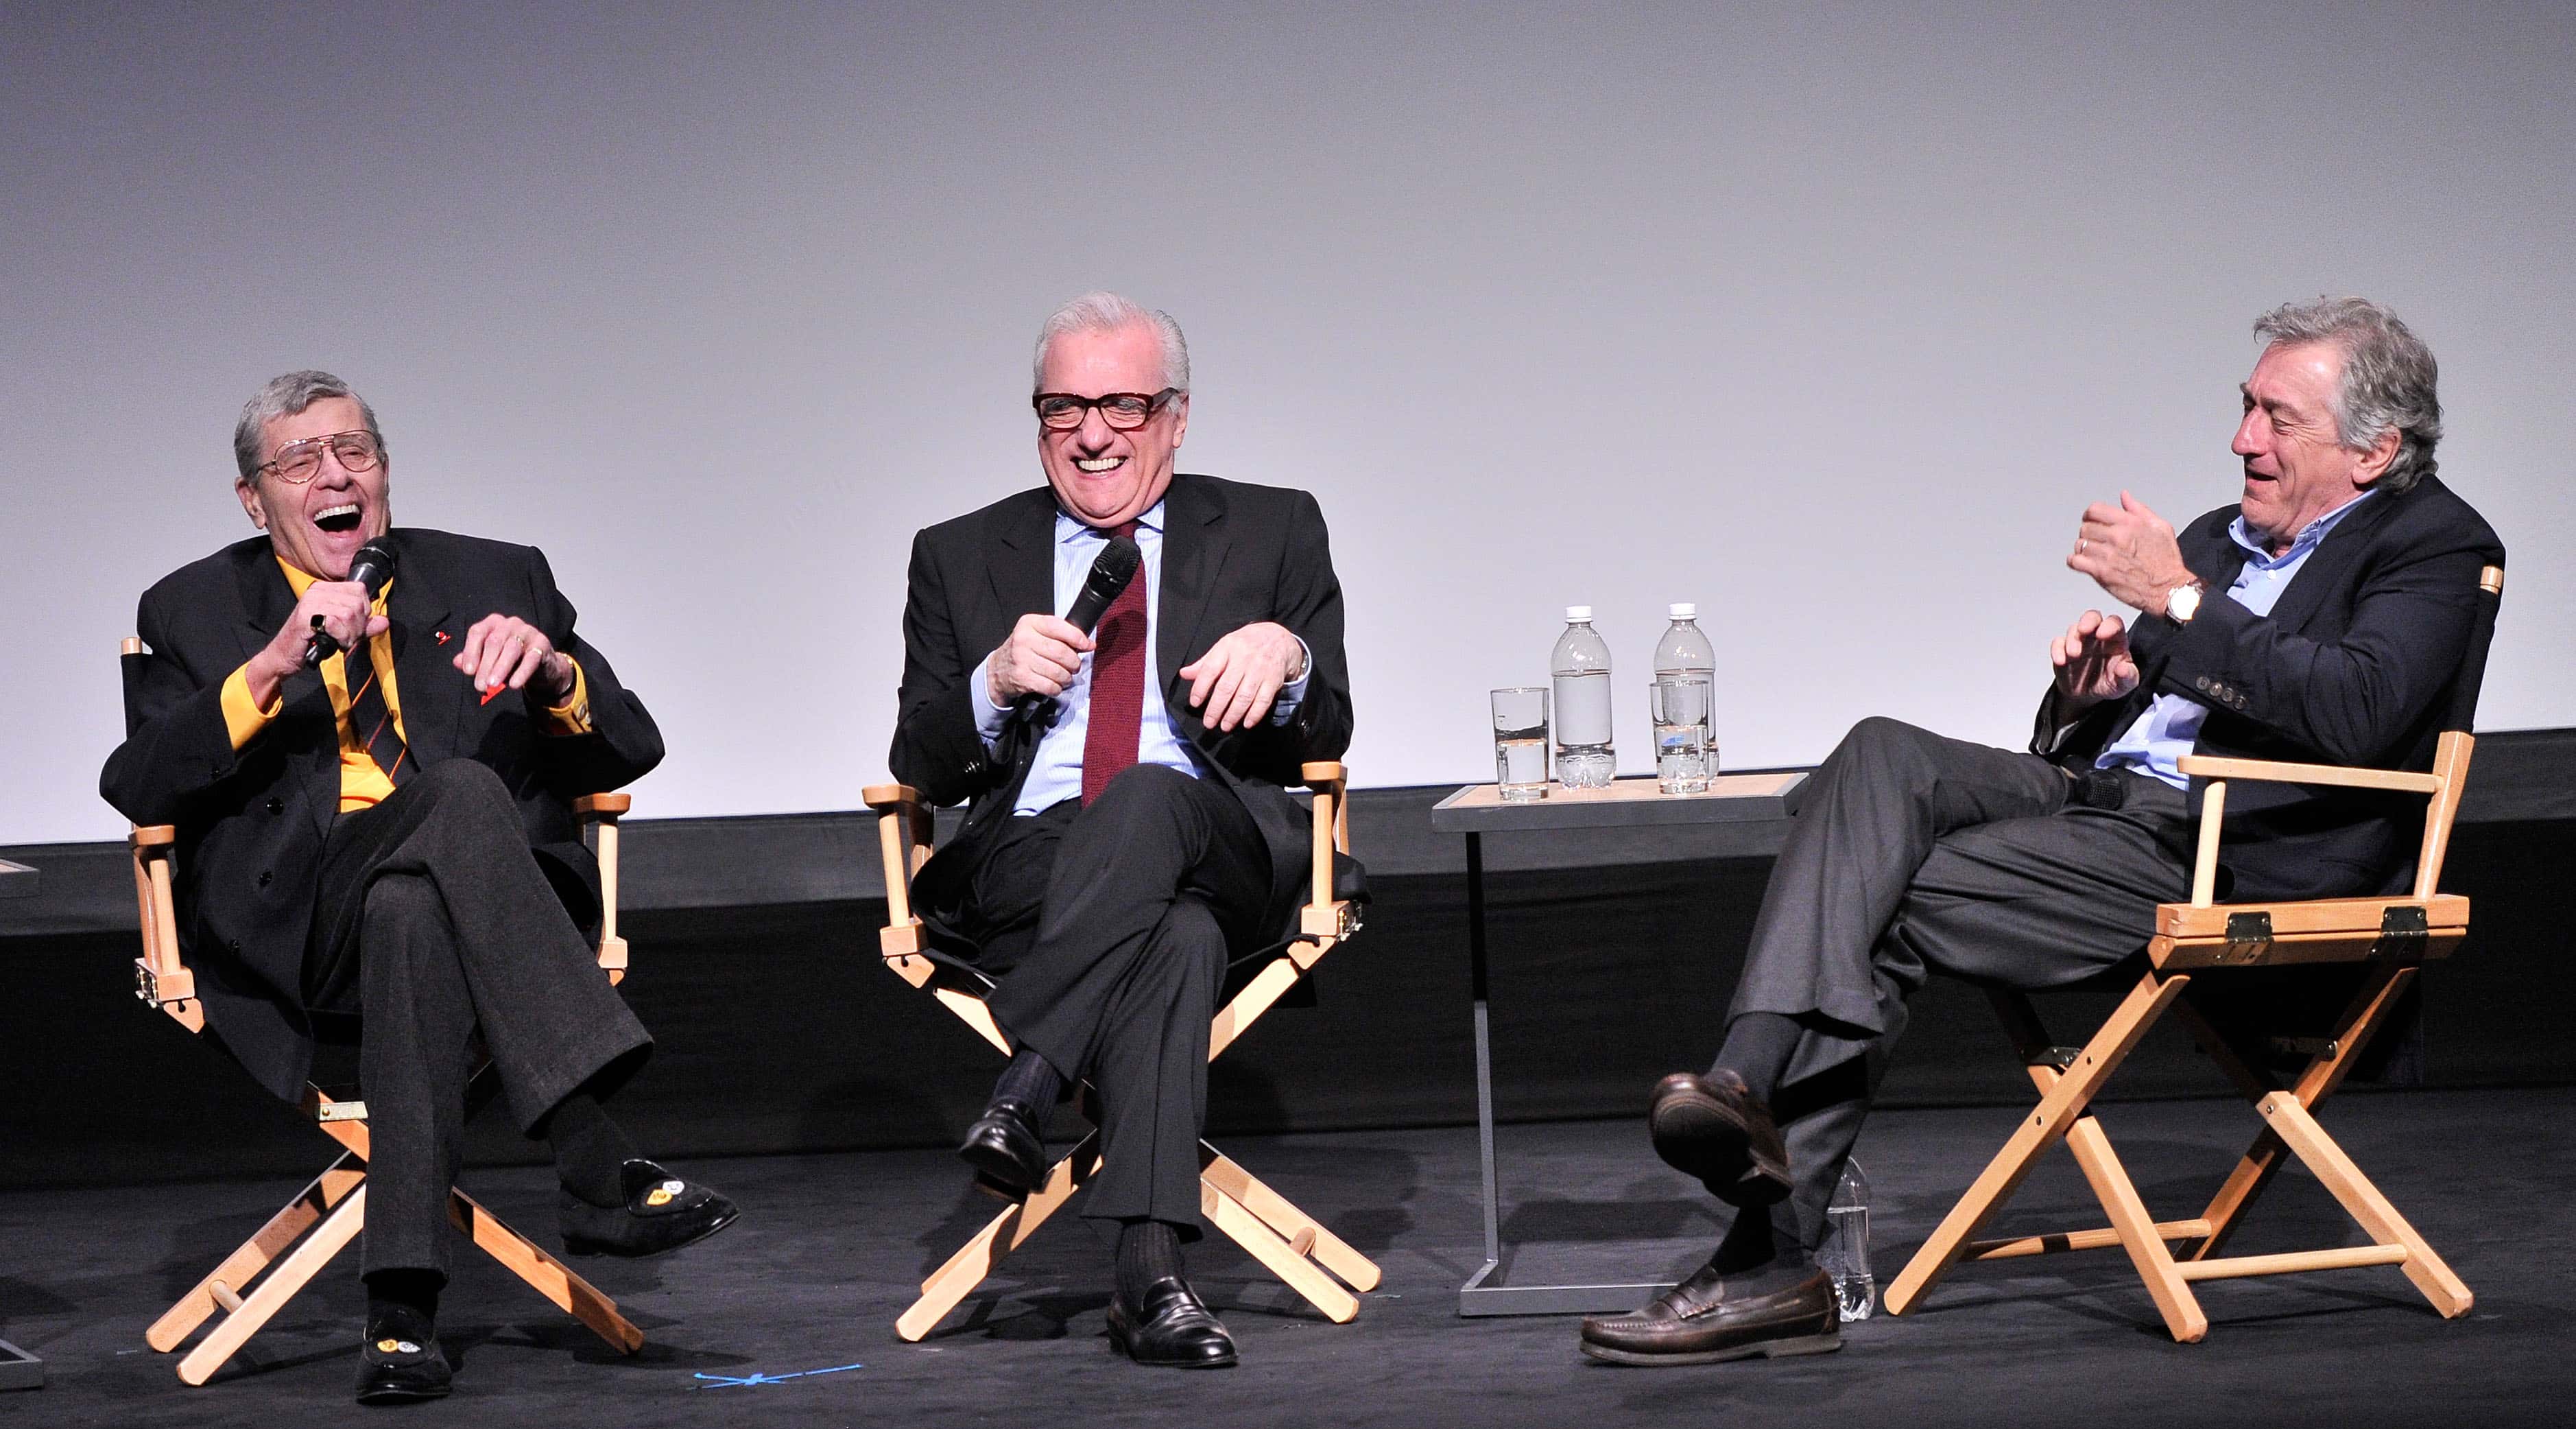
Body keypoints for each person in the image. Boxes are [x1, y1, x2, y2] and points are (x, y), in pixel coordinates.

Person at [1580, 296, 2505, 1366]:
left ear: (2375, 446)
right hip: (2103, 805)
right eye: (2245, 408)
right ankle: (1740, 1086)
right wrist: (2087, 693)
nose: (2243, 438)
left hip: (2228, 854)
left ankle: (1768, 1259)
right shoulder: (2218, 540)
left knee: (1872, 896)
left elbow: (2358, 710)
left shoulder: (2435, 542)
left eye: (2278, 419)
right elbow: (2113, 729)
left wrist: (2180, 598)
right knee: (1880, 752)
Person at [102, 371, 739, 1404]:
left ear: (384, 472)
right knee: (457, 793)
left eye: (353, 450)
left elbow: (634, 745)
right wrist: (267, 670)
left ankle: (400, 1313)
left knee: (419, 893)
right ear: (254, 501)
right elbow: (135, 783)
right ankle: (589, 1149)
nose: (333, 474)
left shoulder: (500, 575)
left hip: (478, 918)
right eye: (299, 461)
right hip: (303, 929)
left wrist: (558, 679)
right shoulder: (195, 606)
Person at [890, 292, 1352, 1369]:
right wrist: (993, 684)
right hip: (1033, 862)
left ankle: (1029, 1080)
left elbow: (1330, 727)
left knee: (1148, 795)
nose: (1092, 433)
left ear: (1178, 418)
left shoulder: (1276, 525)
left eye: (1123, 406)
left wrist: (1286, 657)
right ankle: (1150, 1280)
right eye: (1064, 408)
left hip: (1219, 839)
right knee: (1175, 940)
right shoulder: (959, 552)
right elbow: (920, 759)